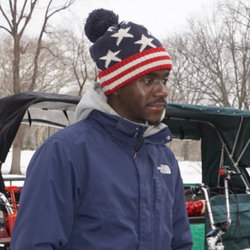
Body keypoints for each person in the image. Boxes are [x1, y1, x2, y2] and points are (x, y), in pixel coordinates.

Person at [11, 8, 192, 250]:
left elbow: (180, 242)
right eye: (149, 80)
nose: (163, 91)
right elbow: (34, 243)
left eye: (164, 79)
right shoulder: (65, 153)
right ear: (116, 86)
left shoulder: (164, 158)